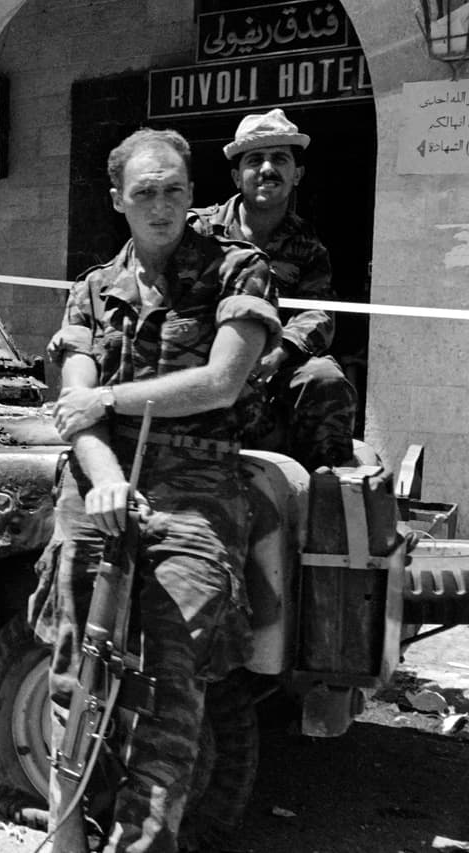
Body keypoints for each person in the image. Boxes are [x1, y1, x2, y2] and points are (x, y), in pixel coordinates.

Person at [40, 129, 280, 851]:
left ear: (193, 193)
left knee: (172, 687)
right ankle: (65, 839)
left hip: (197, 491)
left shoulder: (239, 269)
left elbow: (221, 381)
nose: (162, 205)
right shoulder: (91, 288)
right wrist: (109, 477)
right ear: (118, 200)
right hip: (100, 481)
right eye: (145, 192)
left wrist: (110, 400)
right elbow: (74, 409)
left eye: (175, 189)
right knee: (73, 674)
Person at [190, 108, 356, 470]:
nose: (267, 169)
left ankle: (324, 487)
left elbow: (318, 313)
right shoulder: (198, 232)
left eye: (279, 159)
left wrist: (280, 352)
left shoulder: (308, 245)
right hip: (203, 359)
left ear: (297, 175)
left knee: (324, 377)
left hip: (273, 366)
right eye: (255, 160)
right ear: (237, 176)